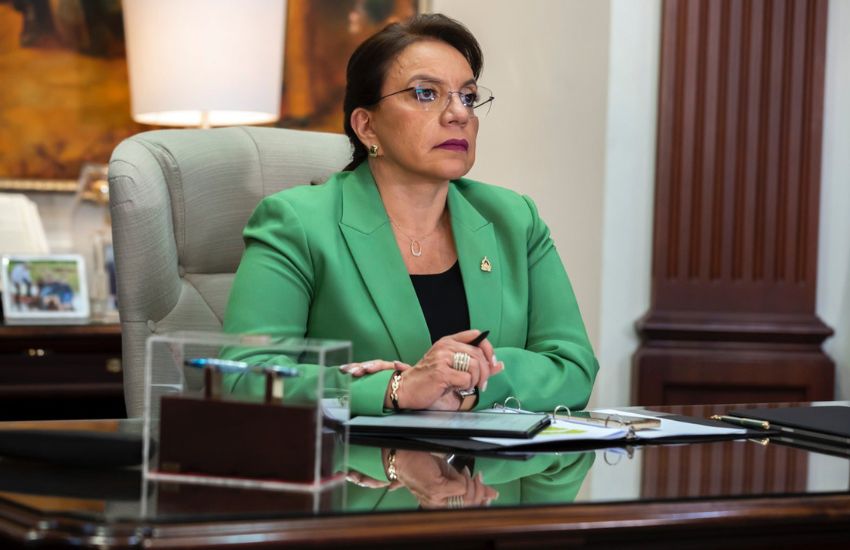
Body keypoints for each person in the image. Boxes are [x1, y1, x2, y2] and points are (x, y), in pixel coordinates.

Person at [223, 13, 598, 417]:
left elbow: (573, 367)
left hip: (489, 459)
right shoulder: (296, 223)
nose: (459, 114)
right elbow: (242, 377)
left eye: (468, 97)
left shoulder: (514, 219)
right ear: (367, 126)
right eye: (426, 93)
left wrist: (471, 382)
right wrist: (394, 389)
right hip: (356, 457)